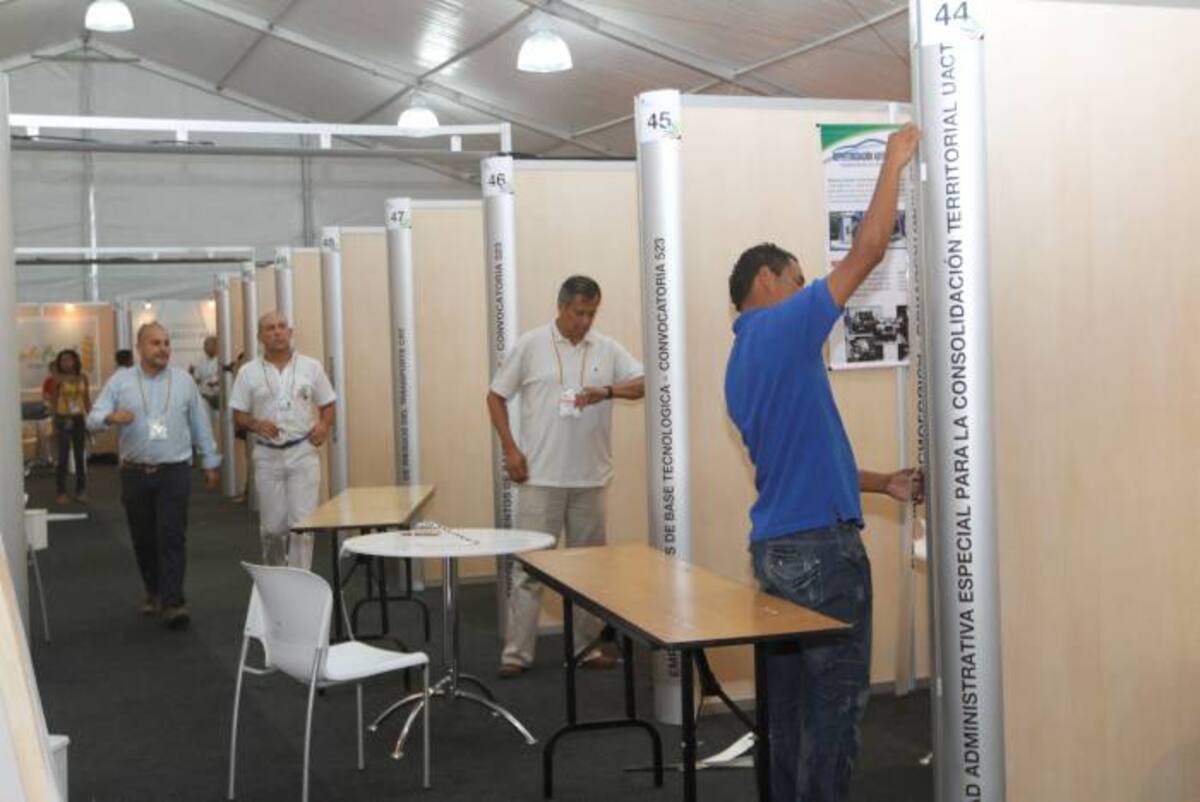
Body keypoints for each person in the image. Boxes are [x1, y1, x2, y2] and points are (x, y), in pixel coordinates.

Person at [723, 123, 923, 802]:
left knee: (788, 714)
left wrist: (880, 483)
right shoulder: (783, 327)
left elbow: (797, 464)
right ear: (768, 279)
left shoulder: (743, 357)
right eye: (799, 279)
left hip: (777, 552)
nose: (809, 290)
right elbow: (868, 249)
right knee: (835, 710)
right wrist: (894, 158)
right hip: (822, 558)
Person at [487, 275, 645, 677]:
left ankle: (588, 647)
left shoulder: (606, 348)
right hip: (540, 476)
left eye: (591, 313)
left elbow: (647, 383)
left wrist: (606, 392)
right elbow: (495, 396)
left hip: (590, 478)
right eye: (578, 313)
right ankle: (516, 654)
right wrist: (510, 448)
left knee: (590, 569)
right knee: (529, 569)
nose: (584, 321)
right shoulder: (530, 345)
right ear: (561, 308)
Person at [87, 321, 221, 630]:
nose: (163, 349)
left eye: (166, 343)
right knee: (144, 537)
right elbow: (93, 419)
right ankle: (154, 590)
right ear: (140, 347)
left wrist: (211, 461)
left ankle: (174, 602)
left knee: (172, 535)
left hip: (175, 469)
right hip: (135, 473)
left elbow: (200, 424)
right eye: (155, 343)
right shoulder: (120, 382)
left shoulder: (184, 381)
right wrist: (110, 417)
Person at [229, 312, 335, 569]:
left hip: (303, 452)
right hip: (267, 455)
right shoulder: (248, 372)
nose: (277, 332)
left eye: (281, 327)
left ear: (290, 332)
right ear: (259, 336)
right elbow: (238, 416)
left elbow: (329, 403)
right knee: (273, 528)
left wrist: (323, 426)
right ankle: (277, 576)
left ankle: (299, 583)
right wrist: (256, 424)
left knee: (303, 525)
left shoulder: (311, 367)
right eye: (269, 328)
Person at [47, 349, 91, 503]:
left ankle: (81, 490)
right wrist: (53, 424)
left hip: (79, 419)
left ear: (75, 361)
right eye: (63, 360)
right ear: (59, 363)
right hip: (62, 419)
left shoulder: (83, 377)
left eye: (69, 359)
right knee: (63, 456)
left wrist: (90, 421)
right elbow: (53, 402)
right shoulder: (57, 379)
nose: (66, 363)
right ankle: (61, 492)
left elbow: (86, 400)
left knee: (80, 456)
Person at [189, 335, 222, 415]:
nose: (205, 347)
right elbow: (197, 379)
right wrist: (191, 373)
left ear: (215, 346)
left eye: (207, 344)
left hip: (217, 399)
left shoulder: (221, 360)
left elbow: (224, 379)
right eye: (205, 345)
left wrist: (215, 383)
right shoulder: (202, 361)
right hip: (204, 397)